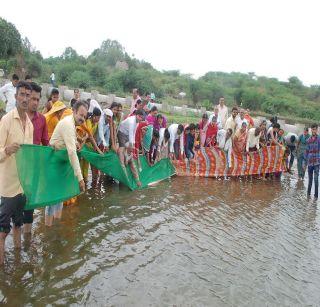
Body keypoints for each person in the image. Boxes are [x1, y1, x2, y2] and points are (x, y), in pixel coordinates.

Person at [0, 81, 33, 265]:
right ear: (15, 96)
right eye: (22, 94)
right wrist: (6, 150)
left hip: (22, 186)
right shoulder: (6, 120)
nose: (25, 98)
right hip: (7, 186)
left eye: (28, 95)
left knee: (18, 225)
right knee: (3, 231)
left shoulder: (30, 125)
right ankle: (2, 269)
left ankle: (18, 262)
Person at [47, 101, 87, 226]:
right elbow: (71, 153)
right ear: (74, 112)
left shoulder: (72, 123)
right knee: (52, 199)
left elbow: (71, 142)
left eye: (85, 116)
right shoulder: (68, 124)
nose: (82, 118)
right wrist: (80, 179)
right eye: (81, 115)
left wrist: (76, 144)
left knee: (60, 198)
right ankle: (48, 230)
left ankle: (56, 228)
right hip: (53, 164)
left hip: (61, 165)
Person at [23, 82, 49, 235]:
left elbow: (46, 143)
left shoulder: (42, 120)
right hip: (19, 166)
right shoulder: (18, 116)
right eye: (32, 98)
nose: (35, 102)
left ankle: (27, 236)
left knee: (30, 202)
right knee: (16, 200)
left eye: (38, 99)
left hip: (34, 168)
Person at [305, 124, 320, 199]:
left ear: (317, 130)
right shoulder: (308, 140)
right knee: (310, 179)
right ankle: (308, 194)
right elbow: (306, 152)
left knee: (316, 179)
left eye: (315, 129)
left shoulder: (319, 139)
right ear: (311, 130)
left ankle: (316, 196)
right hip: (310, 162)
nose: (314, 131)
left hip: (317, 162)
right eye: (312, 129)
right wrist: (305, 163)